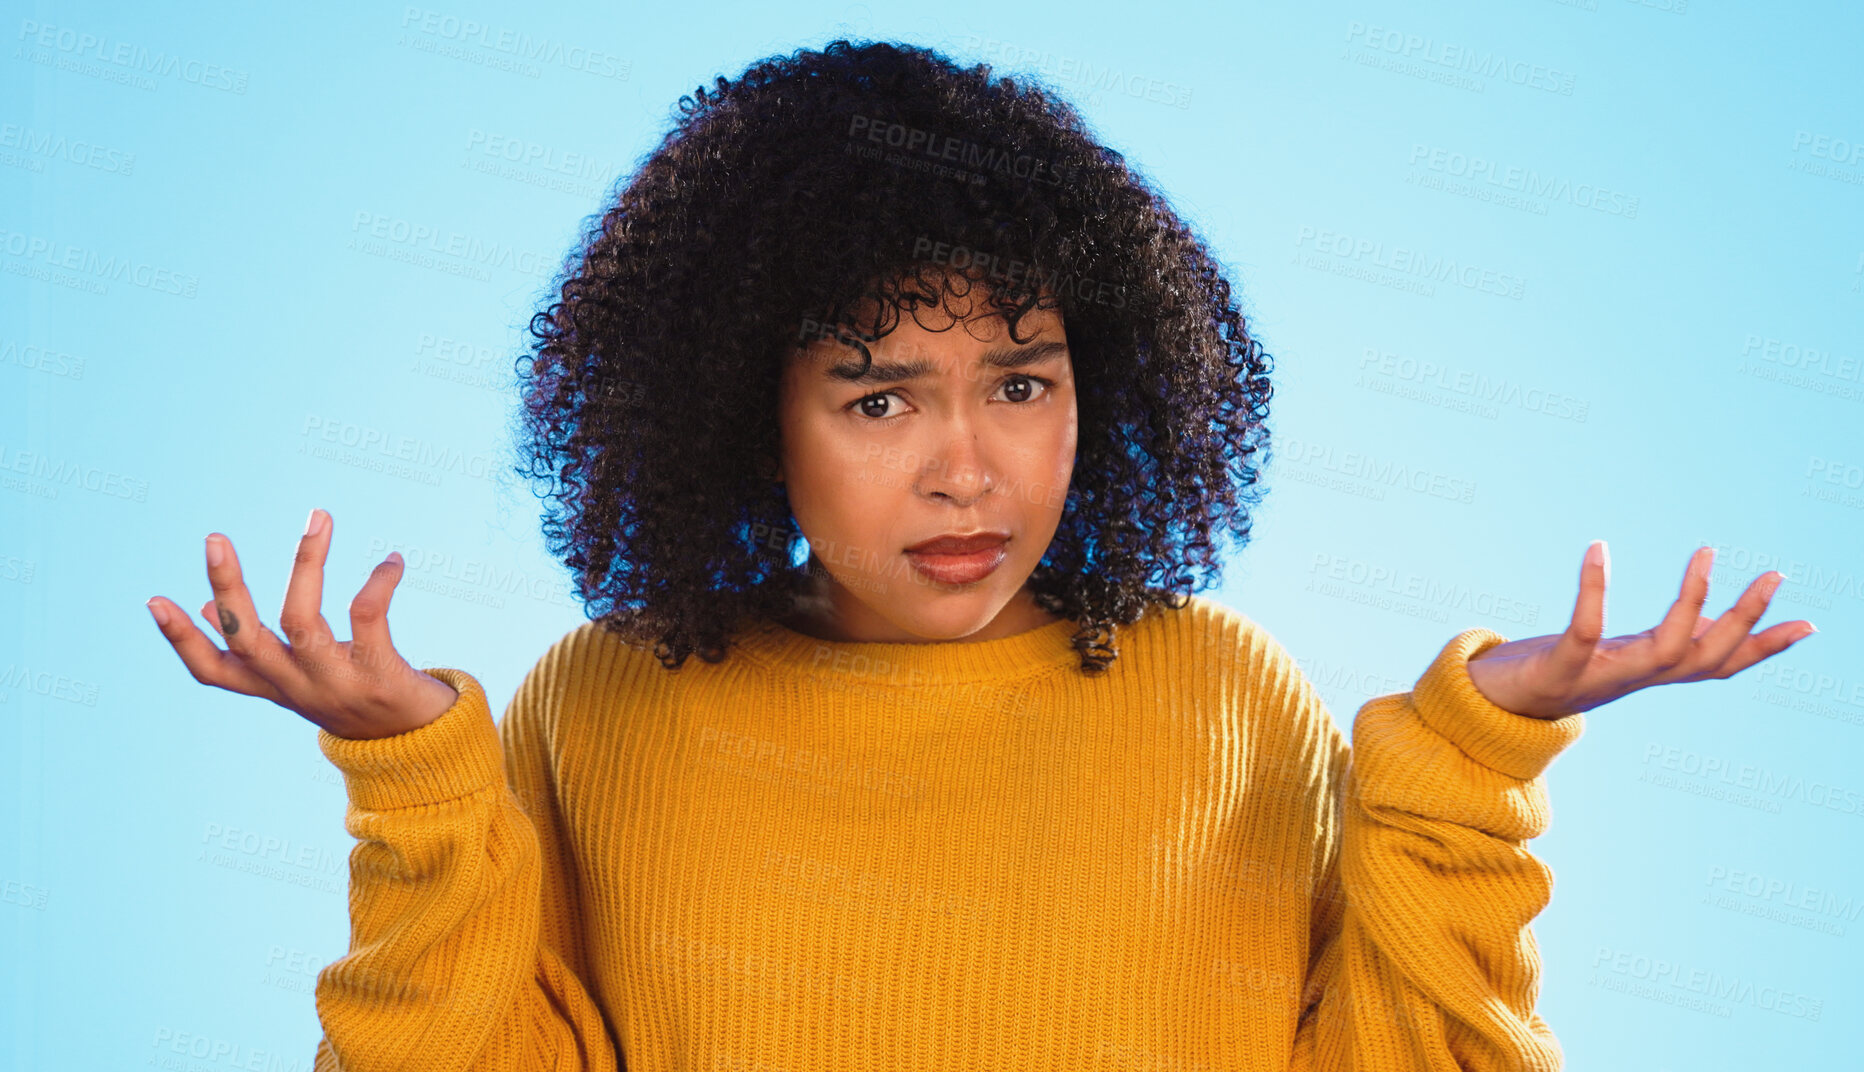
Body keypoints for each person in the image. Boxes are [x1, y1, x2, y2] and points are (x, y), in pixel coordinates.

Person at [145, 39, 1814, 1072]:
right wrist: (408, 775)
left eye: (1022, 383)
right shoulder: (612, 704)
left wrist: (1469, 761)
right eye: (880, 401)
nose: (969, 468)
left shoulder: (1219, 687)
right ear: (750, 416)